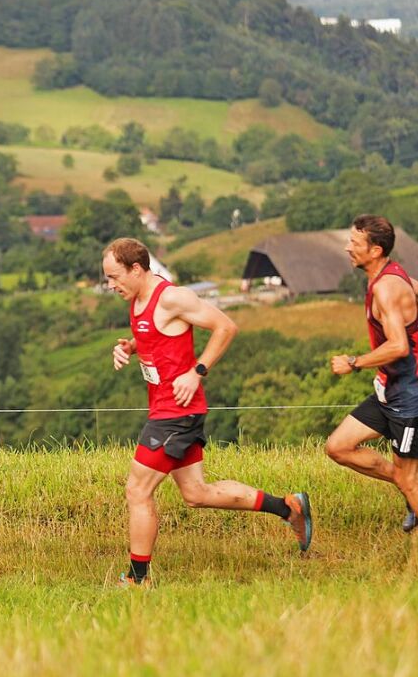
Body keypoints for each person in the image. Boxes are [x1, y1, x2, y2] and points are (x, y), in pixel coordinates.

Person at [103, 237, 311, 587]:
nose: (111, 285)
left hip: (175, 413)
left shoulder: (172, 297)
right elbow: (156, 335)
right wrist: (131, 346)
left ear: (136, 268)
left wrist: (196, 371)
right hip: (169, 409)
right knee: (196, 493)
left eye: (114, 277)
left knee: (137, 490)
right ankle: (288, 507)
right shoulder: (138, 298)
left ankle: (138, 580)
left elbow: (226, 326)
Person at [326, 215, 418, 535]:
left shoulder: (386, 289)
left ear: (375, 250)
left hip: (412, 399)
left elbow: (398, 346)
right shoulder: (389, 274)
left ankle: (417, 486)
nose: (348, 248)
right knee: (338, 447)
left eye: (355, 243)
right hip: (389, 391)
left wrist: (354, 362)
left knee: (407, 481)